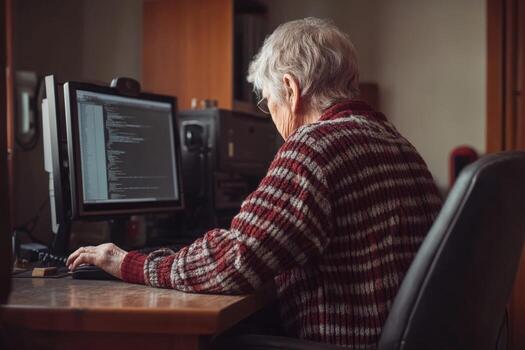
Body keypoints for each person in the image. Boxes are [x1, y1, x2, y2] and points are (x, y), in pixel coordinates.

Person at [67, 17, 443, 348]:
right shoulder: (397, 142)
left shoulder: (313, 146)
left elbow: (233, 261)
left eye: (267, 102)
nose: (272, 115)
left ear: (291, 89)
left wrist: (126, 262)